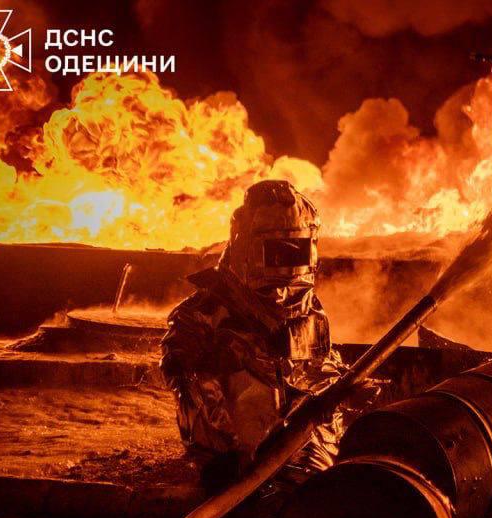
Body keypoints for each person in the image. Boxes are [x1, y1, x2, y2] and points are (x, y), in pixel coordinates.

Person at [160, 180, 378, 497]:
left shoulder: (307, 309)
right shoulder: (204, 313)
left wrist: (344, 388)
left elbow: (315, 367)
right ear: (246, 249)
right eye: (277, 251)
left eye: (297, 249)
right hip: (233, 456)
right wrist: (231, 450)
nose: (287, 264)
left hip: (300, 444)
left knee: (323, 496)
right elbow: (188, 381)